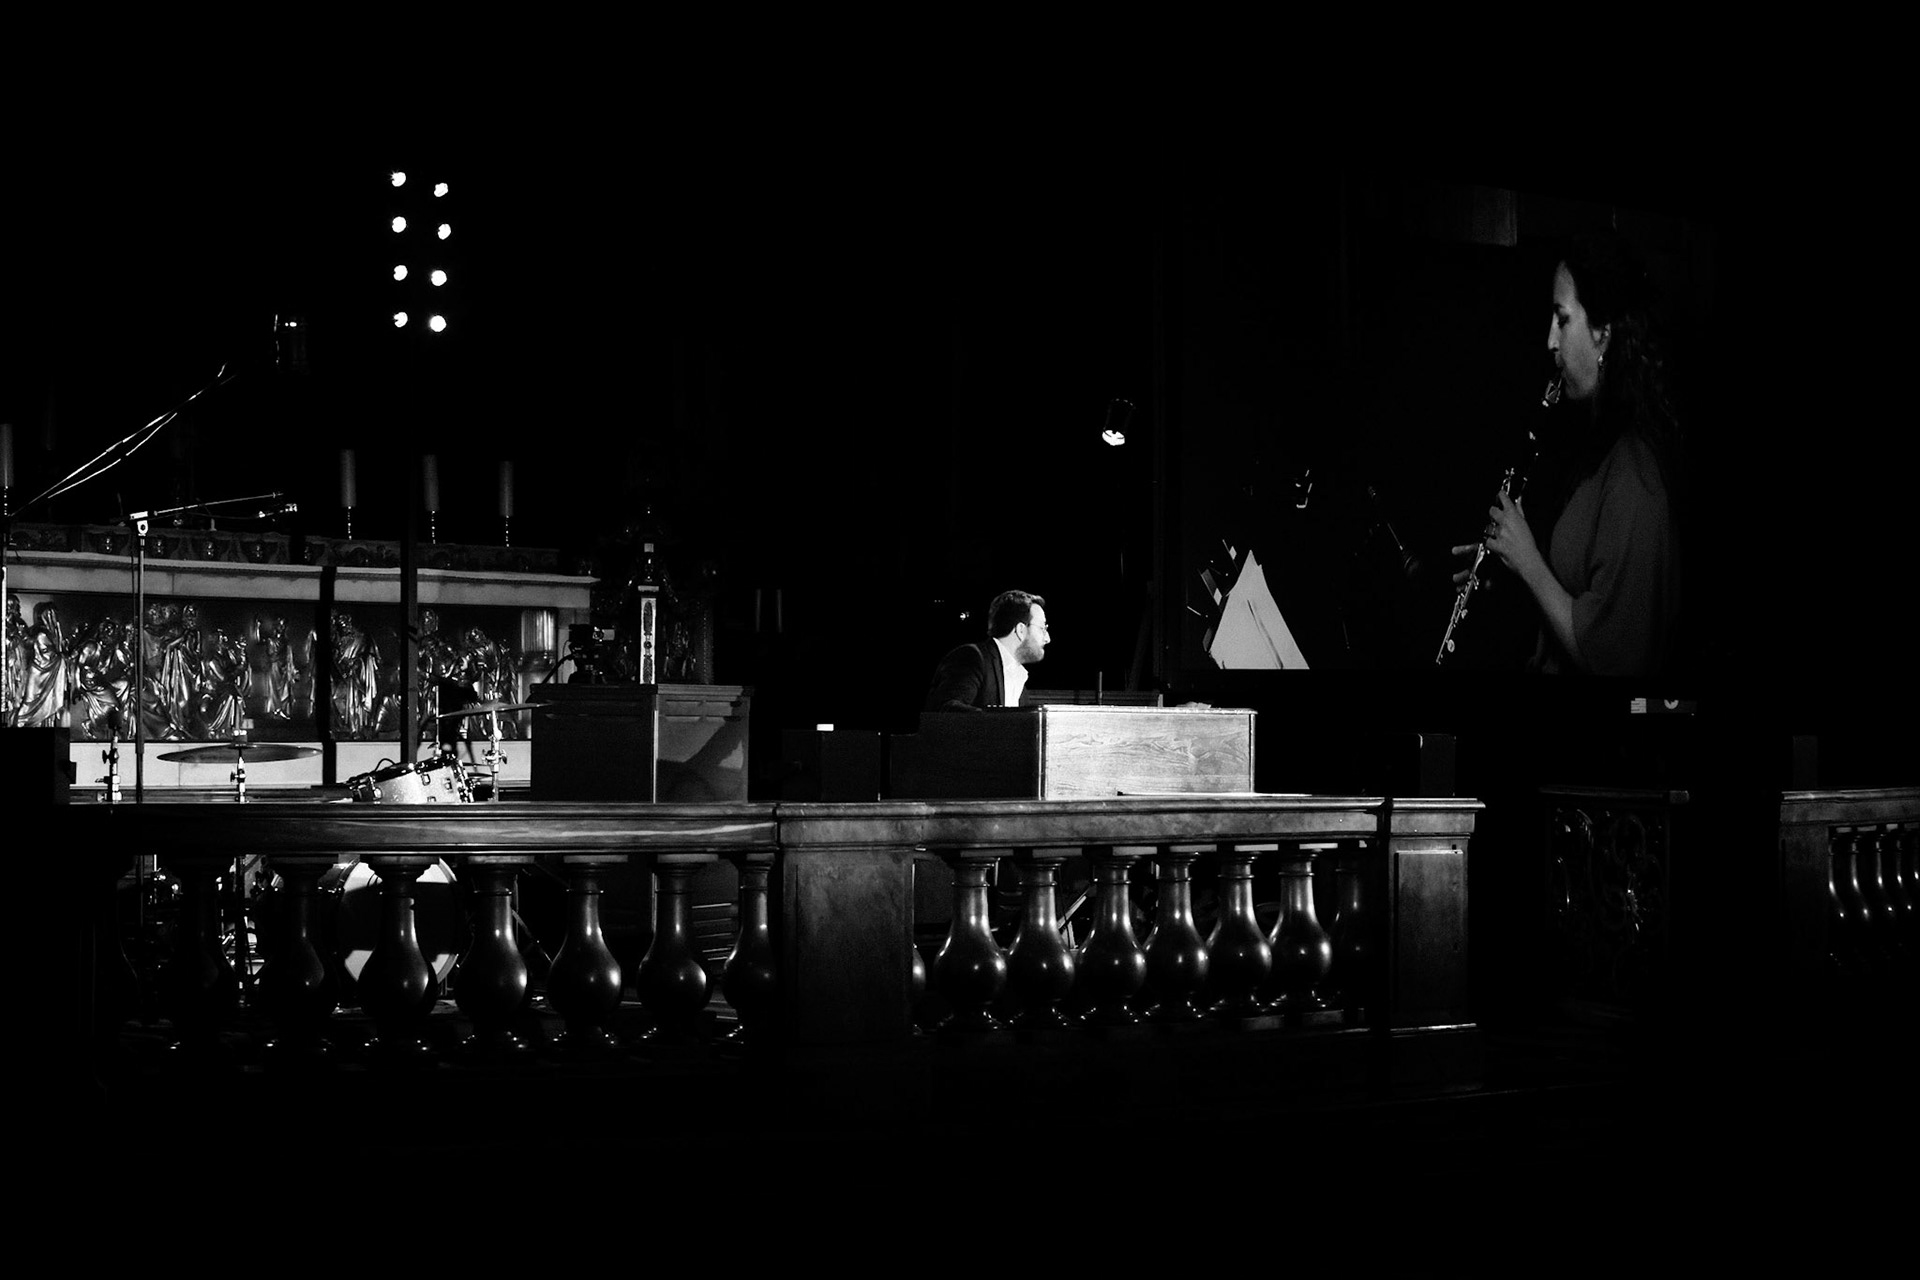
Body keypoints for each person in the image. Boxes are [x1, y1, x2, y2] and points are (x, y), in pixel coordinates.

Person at [1456, 231, 1683, 679]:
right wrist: (1509, 567)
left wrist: (1529, 562)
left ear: (1602, 333)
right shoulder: (1599, 450)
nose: (1550, 342)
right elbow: (1577, 594)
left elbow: (1613, 661)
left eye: (1562, 319)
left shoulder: (1635, 477)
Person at [924, 590, 1051, 712]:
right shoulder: (971, 657)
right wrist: (1004, 723)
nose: (1047, 638)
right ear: (1021, 630)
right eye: (1042, 628)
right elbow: (946, 710)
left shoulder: (1020, 683)